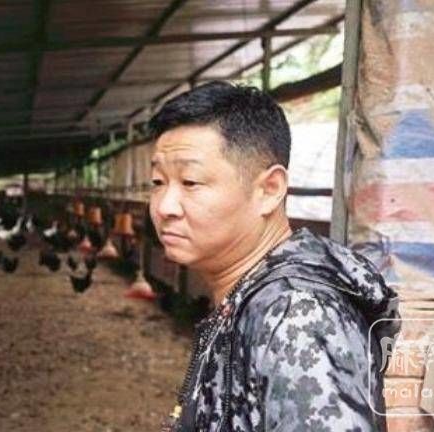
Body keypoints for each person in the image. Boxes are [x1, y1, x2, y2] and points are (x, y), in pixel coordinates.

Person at [147, 81, 400, 431]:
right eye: (158, 182)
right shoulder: (251, 297)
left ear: (269, 190)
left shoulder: (297, 315)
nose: (165, 207)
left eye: (190, 182)